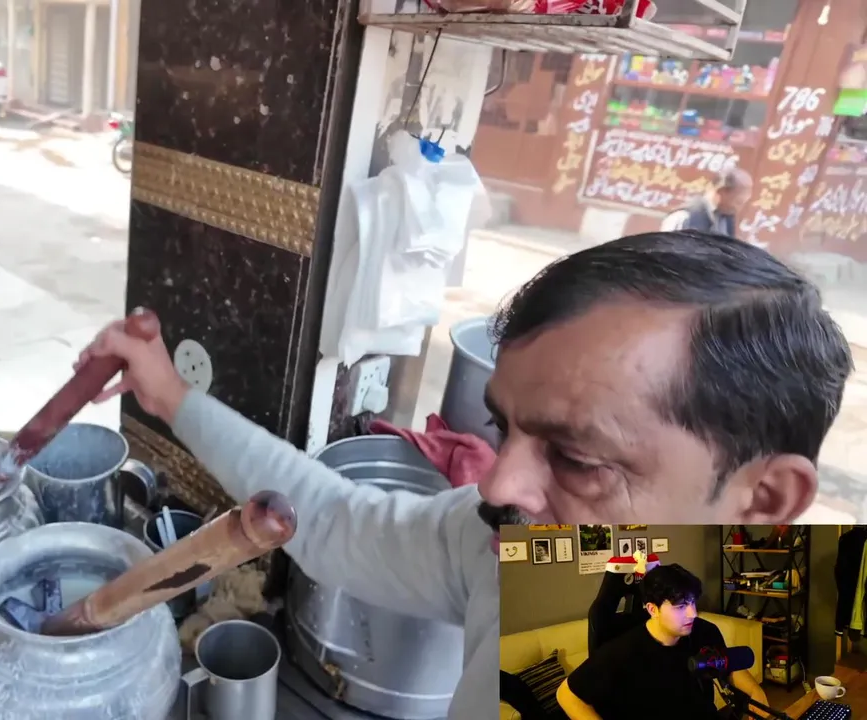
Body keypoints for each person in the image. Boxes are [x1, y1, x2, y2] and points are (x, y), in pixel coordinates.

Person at [76, 230, 851, 718]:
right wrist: (170, 396)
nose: (497, 486)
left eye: (577, 459)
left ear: (762, 502)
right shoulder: (521, 549)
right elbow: (339, 522)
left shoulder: (801, 682)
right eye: (503, 427)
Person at [557, 564, 768, 719]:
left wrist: (755, 691)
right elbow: (566, 695)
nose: (692, 613)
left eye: (692, 602)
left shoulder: (704, 631)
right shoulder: (622, 651)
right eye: (680, 606)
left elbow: (726, 664)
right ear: (652, 609)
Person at [660, 168, 754, 239]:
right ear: (721, 192)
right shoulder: (683, 217)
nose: (739, 209)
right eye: (738, 202)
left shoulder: (726, 219)